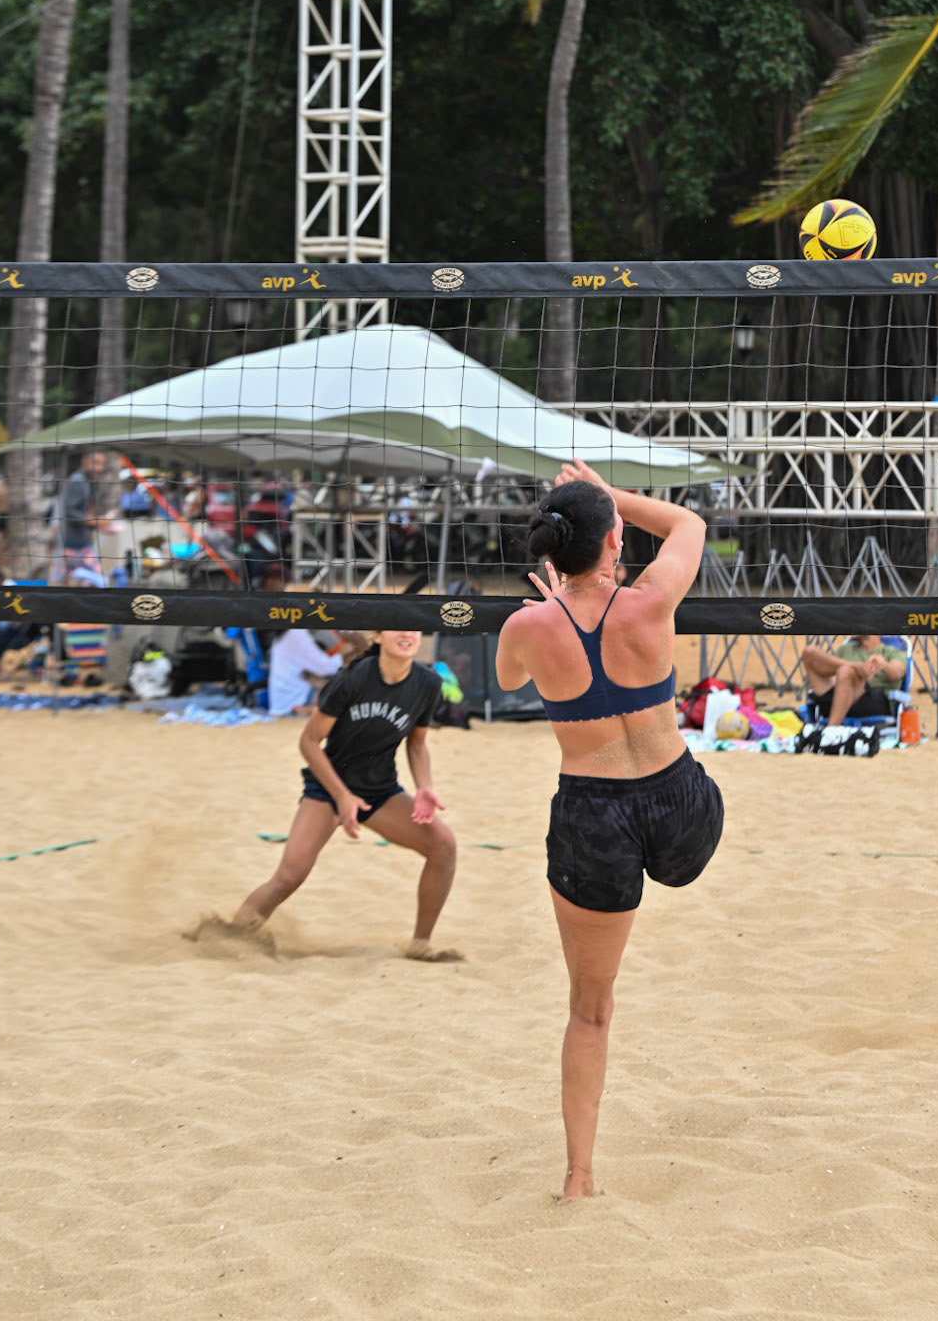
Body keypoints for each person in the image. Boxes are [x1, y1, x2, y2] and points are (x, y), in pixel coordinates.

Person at [496, 459, 723, 1201]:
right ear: (613, 540)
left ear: (552, 554)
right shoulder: (651, 599)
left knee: (590, 1008)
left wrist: (550, 611)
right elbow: (687, 524)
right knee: (690, 828)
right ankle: (674, 862)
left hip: (592, 815)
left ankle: (578, 1176)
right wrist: (610, 496)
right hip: (680, 808)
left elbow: (505, 681)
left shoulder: (525, 626)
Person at [232, 628, 457, 959]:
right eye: (397, 628)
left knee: (444, 846)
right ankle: (231, 938)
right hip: (327, 788)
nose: (407, 633)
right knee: (289, 876)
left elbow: (417, 742)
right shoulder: (353, 678)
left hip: (379, 792)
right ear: (378, 637)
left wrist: (425, 787)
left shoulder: (427, 683)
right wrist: (341, 796)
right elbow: (308, 742)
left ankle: (420, 944)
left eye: (414, 628)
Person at [800, 633, 908, 724]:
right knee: (809, 652)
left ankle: (831, 729)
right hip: (838, 698)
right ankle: (854, 667)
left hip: (872, 703)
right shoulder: (845, 649)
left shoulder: (891, 651)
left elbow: (898, 672)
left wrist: (884, 665)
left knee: (845, 671)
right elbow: (831, 674)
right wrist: (858, 668)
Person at [267, 622, 343, 717]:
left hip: (283, 703)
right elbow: (329, 668)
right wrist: (341, 653)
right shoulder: (297, 634)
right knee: (334, 682)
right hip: (293, 705)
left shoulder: (285, 634)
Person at [54, 451, 106, 581]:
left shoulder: (86, 481)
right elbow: (70, 512)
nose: (99, 468)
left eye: (102, 464)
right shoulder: (77, 480)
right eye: (96, 463)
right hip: (73, 544)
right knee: (96, 581)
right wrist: (94, 521)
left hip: (79, 541)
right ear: (84, 461)